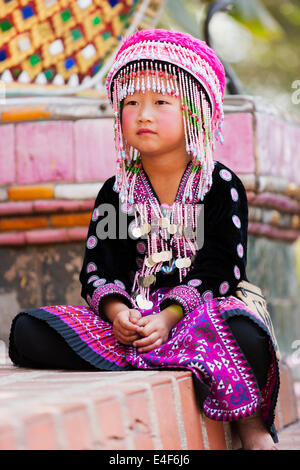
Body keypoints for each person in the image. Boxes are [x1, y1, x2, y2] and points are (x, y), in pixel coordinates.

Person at [9, 28, 280, 450]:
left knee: (244, 333)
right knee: (27, 331)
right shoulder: (115, 192)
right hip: (135, 322)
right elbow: (98, 271)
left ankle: (251, 429)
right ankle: (159, 355)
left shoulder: (220, 184)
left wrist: (170, 316)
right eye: (131, 102)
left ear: (196, 114)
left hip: (201, 317)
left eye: (160, 102)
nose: (143, 114)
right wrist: (119, 315)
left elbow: (223, 269)